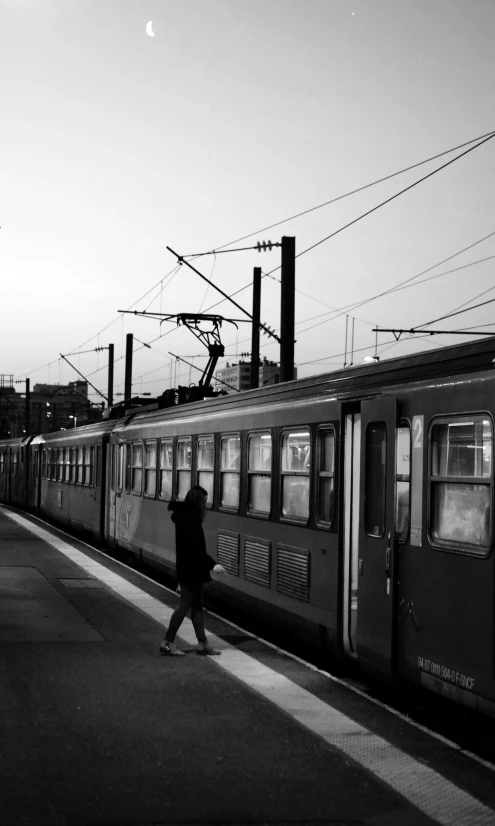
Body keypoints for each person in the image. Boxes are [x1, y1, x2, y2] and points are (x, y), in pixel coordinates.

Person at [159, 485, 227, 656]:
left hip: (190, 569)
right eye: (204, 501)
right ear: (198, 501)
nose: (206, 505)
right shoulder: (191, 521)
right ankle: (167, 642)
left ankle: (202, 644)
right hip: (191, 570)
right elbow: (196, 549)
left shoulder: (186, 517)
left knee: (197, 607)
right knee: (184, 606)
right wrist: (213, 565)